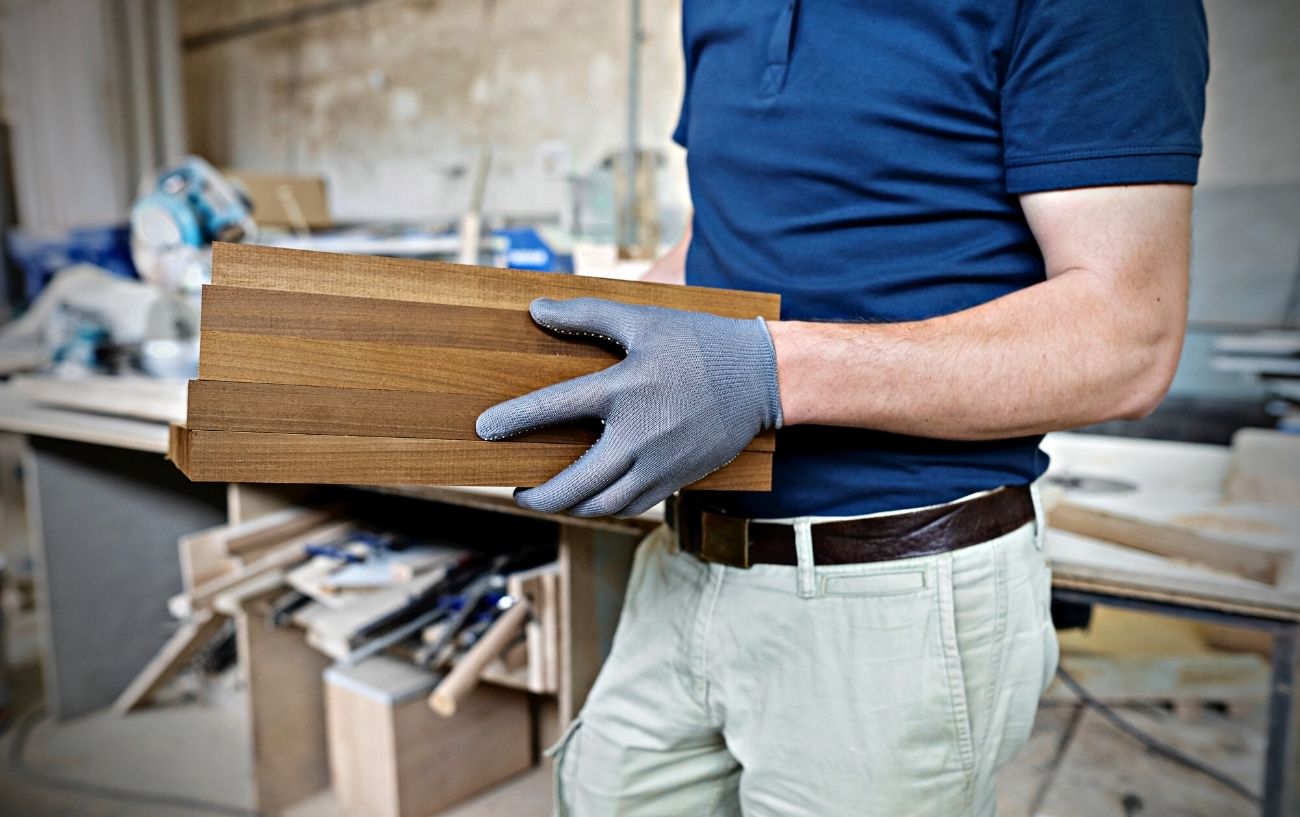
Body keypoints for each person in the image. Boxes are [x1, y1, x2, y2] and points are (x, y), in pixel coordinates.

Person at [477, 1, 1209, 814]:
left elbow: (1126, 337)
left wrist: (769, 373)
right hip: (684, 561)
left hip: (895, 589)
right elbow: (722, 234)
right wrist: (529, 364)